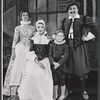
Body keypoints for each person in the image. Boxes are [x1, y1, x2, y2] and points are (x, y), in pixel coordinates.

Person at [60, 0, 97, 99]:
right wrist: (55, 36)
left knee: (80, 69)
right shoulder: (65, 20)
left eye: (74, 8)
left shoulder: (83, 19)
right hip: (67, 47)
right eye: (70, 9)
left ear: (77, 9)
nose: (72, 10)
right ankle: (69, 89)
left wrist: (87, 37)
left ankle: (83, 91)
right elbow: (61, 31)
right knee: (68, 69)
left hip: (79, 47)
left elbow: (95, 27)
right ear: (68, 11)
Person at [18, 20, 54, 100]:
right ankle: (31, 95)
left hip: (45, 60)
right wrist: (37, 61)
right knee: (30, 75)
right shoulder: (33, 39)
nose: (40, 29)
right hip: (34, 60)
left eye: (42, 27)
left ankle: (41, 96)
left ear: (44, 28)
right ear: (36, 28)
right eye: (38, 27)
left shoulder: (48, 39)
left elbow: (50, 53)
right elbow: (30, 52)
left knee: (41, 76)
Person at [3, 10, 35, 96]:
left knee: (27, 68)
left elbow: (35, 39)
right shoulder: (18, 28)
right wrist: (13, 51)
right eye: (23, 15)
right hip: (20, 49)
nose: (25, 16)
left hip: (29, 49)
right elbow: (15, 40)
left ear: (29, 16)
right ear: (21, 17)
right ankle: (14, 91)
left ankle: (25, 89)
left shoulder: (33, 28)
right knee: (17, 68)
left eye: (26, 15)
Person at [49, 30, 69, 100]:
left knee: (62, 79)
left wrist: (59, 63)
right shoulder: (52, 45)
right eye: (58, 36)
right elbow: (50, 55)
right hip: (54, 64)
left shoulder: (65, 46)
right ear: (55, 37)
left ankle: (63, 94)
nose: (59, 37)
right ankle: (55, 94)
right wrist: (53, 62)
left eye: (61, 36)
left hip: (62, 65)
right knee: (55, 79)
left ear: (63, 37)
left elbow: (66, 56)